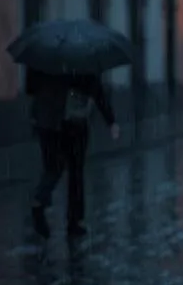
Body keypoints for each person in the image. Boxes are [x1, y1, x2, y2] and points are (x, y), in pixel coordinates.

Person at [27, 69, 120, 238]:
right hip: (73, 123)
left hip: (52, 121)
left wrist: (36, 117)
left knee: (54, 168)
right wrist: (111, 120)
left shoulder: (50, 61)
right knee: (74, 173)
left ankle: (41, 201)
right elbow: (96, 90)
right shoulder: (82, 61)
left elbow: (33, 89)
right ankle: (73, 221)